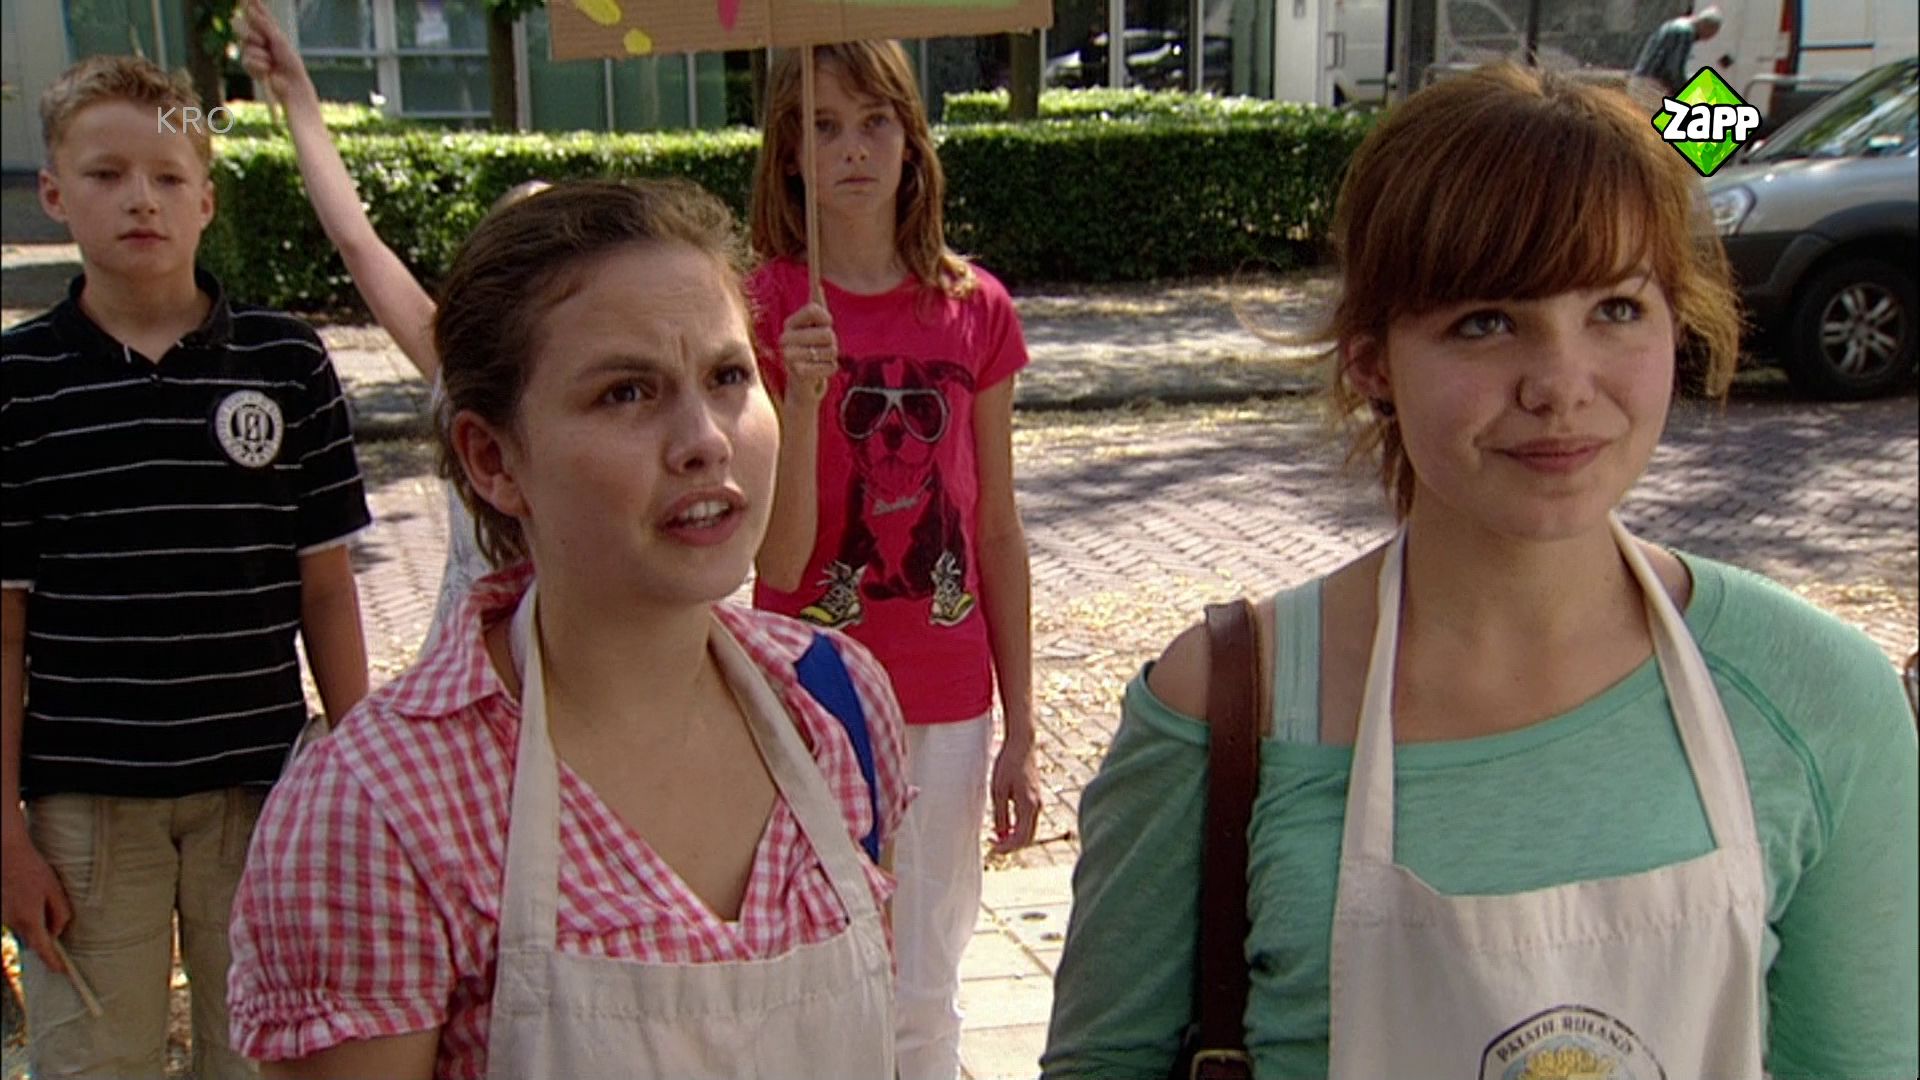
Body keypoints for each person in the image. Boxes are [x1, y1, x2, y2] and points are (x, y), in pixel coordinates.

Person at [1042, 62, 1918, 1079]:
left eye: (1616, 309)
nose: (1560, 385)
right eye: (1487, 322)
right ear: (1372, 360)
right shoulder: (1227, 703)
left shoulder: (1819, 700)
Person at [226, 179, 913, 1079]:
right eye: (627, 392)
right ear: (493, 459)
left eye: (727, 376)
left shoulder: (834, 706)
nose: (705, 440)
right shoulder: (377, 811)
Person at [0, 54, 372, 1080]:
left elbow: (327, 591)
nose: (141, 200)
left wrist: (360, 775)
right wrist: (7, 837)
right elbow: (4, 624)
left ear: (207, 200)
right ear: (54, 193)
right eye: (106, 174)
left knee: (260, 1055)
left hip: (260, 793)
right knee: (92, 1059)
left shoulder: (287, 364)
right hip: (84, 806)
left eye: (168, 177)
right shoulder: (18, 382)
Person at [746, 40, 1043, 1080]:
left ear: (913, 142)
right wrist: (800, 399)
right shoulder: (760, 308)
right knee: (815, 973)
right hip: (810, 686)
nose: (853, 150)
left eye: (875, 122)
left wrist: (1021, 726)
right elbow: (777, 557)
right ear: (788, 154)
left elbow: (996, 528)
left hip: (945, 699)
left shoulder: (976, 309)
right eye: (823, 127)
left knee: (925, 982)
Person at [237, 0, 537, 649]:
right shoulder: (460, 370)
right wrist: (298, 96)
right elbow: (358, 242)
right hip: (473, 666)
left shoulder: (616, 391)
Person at [1632, 4, 1724, 97]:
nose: (1706, 40)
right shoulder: (1685, 32)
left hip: (1643, 78)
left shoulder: (1678, 24)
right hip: (1650, 86)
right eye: (1710, 35)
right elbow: (1675, 71)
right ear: (1707, 27)